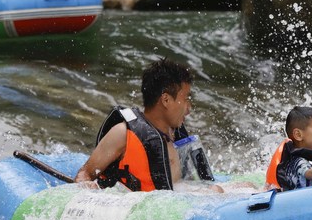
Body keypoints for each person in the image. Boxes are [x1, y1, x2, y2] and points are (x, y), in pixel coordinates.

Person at [75, 58, 217, 192]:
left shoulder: (175, 136)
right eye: (185, 99)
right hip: (131, 210)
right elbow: (85, 173)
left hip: (169, 207)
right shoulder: (122, 134)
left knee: (218, 189)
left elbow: (183, 187)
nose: (189, 108)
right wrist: (86, 186)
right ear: (166, 100)